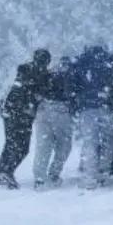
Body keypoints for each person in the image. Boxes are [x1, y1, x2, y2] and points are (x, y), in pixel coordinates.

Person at [0, 48, 51, 189]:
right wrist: (29, 104)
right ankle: (6, 172)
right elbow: (20, 92)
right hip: (18, 114)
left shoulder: (30, 72)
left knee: (11, 144)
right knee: (20, 146)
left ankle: (3, 172)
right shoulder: (29, 73)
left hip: (12, 112)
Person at [71, 43, 113, 189]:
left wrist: (76, 103)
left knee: (89, 143)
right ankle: (104, 174)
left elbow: (72, 84)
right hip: (106, 107)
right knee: (107, 142)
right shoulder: (110, 61)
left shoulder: (81, 62)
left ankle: (89, 177)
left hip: (87, 108)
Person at [32, 56, 76, 188]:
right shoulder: (69, 75)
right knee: (64, 145)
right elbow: (73, 94)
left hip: (43, 111)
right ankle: (54, 174)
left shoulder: (48, 74)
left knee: (43, 145)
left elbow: (36, 91)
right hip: (61, 112)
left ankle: (39, 178)